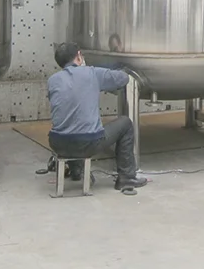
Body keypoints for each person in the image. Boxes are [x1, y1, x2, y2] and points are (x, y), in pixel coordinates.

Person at [46, 42, 147, 192]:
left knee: (71, 125)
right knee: (125, 124)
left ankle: (76, 171)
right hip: (88, 144)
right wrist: (119, 68)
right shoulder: (92, 73)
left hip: (57, 143)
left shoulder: (52, 80)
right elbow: (122, 78)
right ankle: (126, 178)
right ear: (79, 56)